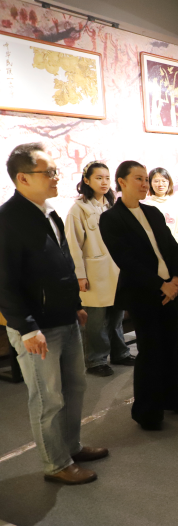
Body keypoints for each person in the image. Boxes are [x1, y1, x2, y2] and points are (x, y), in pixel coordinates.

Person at [0, 143, 107, 485]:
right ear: (23, 178)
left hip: (65, 319)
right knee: (48, 399)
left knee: (74, 389)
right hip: (37, 328)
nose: (56, 177)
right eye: (48, 172)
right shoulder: (8, 220)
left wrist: (75, 304)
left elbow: (62, 263)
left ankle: (71, 447)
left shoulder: (48, 212)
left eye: (55, 171)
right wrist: (27, 328)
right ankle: (56, 463)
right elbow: (4, 282)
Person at [99, 161, 178, 431]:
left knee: (170, 348)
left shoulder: (152, 212)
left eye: (145, 179)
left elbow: (173, 248)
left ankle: (173, 399)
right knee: (150, 352)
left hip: (170, 289)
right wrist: (160, 285)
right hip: (144, 294)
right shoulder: (111, 218)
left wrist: (175, 280)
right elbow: (127, 261)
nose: (145, 184)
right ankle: (148, 412)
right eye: (138, 179)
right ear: (122, 182)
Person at [65, 161, 135, 377]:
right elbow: (73, 246)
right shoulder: (79, 209)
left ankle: (120, 352)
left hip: (116, 271)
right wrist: (79, 275)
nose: (104, 182)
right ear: (86, 180)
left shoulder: (113, 206)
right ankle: (96, 360)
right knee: (95, 321)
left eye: (106, 178)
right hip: (93, 273)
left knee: (116, 316)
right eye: (98, 178)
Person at [146, 167, 178, 347]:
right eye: (156, 181)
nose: (160, 184)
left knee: (176, 296)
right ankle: (158, 335)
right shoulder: (145, 205)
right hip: (153, 261)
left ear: (169, 183)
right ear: (150, 183)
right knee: (156, 297)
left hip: (174, 259)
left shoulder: (177, 204)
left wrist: (169, 249)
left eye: (164, 181)